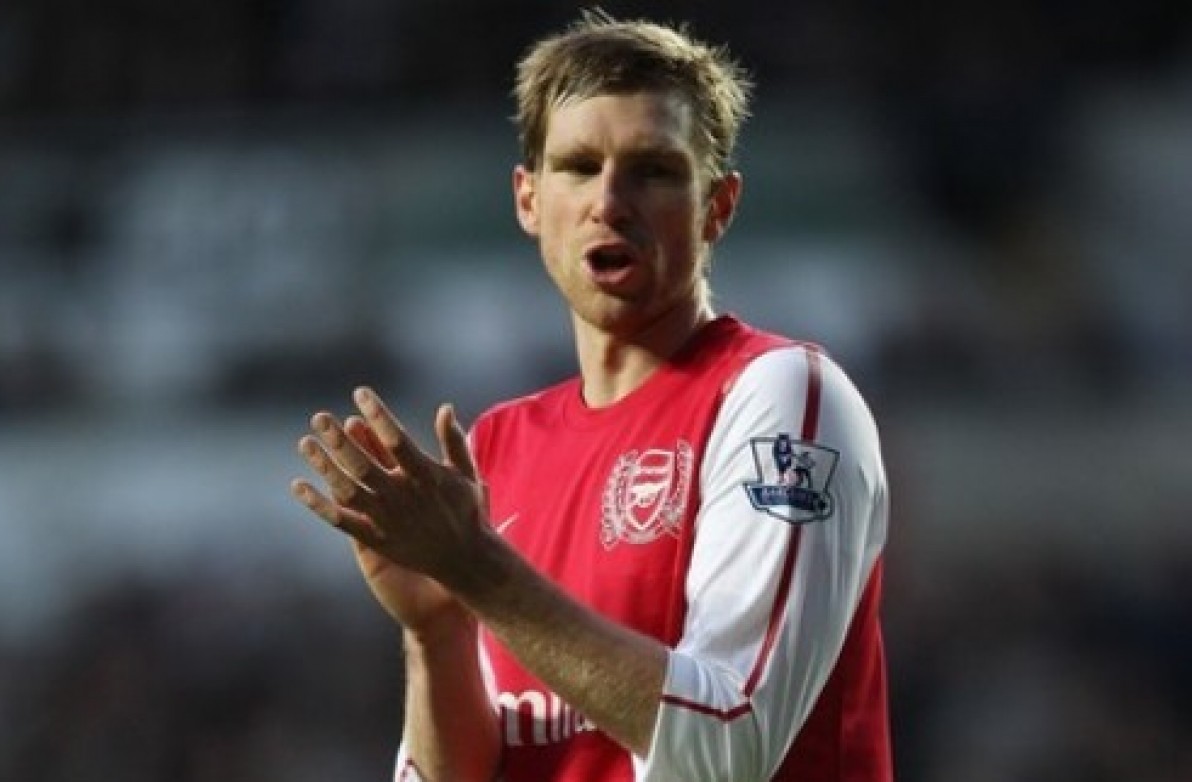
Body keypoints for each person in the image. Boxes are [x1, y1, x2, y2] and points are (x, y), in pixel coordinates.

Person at [291, 10, 892, 782]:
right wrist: (436, 632)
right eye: (578, 167)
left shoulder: (778, 399)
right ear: (528, 200)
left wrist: (479, 572)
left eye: (653, 170)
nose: (609, 201)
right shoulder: (495, 450)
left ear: (718, 206)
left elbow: (729, 749)